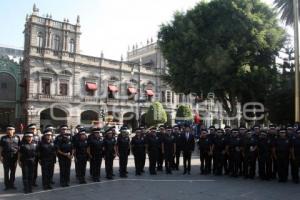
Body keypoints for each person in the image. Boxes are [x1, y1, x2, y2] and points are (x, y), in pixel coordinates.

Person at [0, 125, 20, 190]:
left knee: (13, 171)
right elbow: (1, 148)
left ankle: (12, 184)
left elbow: (19, 148)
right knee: (6, 172)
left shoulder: (17, 137)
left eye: (11, 130)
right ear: (7, 131)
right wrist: (0, 156)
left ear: (14, 130)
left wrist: (18, 158)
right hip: (6, 157)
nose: (10, 131)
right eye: (8, 130)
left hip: (14, 157)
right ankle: (7, 185)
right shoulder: (3, 138)